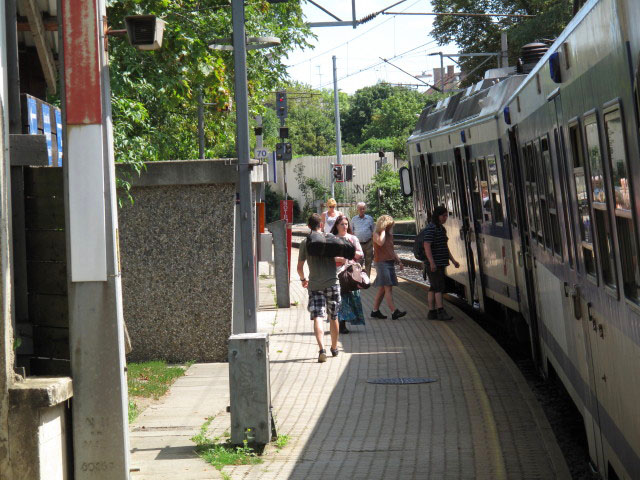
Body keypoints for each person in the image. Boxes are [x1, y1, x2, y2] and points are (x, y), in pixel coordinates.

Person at [297, 213, 342, 363]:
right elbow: (339, 258)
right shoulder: (329, 239)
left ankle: (321, 349)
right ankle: (334, 348)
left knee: (318, 316)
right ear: (321, 225)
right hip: (332, 283)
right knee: (334, 316)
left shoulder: (305, 243)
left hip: (315, 285)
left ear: (309, 226)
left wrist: (304, 280)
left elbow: (299, 267)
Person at [424, 205, 460, 320]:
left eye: (446, 216)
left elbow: (444, 246)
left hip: (440, 262)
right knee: (439, 287)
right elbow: (427, 245)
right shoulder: (432, 228)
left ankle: (432, 312)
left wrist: (453, 261)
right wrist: (432, 262)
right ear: (438, 216)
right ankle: (440, 311)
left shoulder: (440, 228)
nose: (445, 218)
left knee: (433, 287)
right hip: (435, 264)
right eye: (443, 216)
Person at [331, 215, 365, 333]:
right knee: (341, 296)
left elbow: (361, 254)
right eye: (342, 224)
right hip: (338, 272)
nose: (345, 226)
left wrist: (350, 254)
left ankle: (347, 321)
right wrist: (339, 259)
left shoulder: (353, 238)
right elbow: (329, 257)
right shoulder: (333, 239)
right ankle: (342, 323)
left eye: (346, 224)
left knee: (353, 296)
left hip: (352, 272)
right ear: (337, 226)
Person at [371, 215, 407, 320]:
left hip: (389, 263)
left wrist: (399, 261)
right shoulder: (376, 234)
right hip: (382, 263)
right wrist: (382, 231)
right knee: (388, 287)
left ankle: (375, 311)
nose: (390, 227)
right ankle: (394, 311)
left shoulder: (389, 235)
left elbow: (391, 250)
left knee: (382, 289)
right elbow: (381, 243)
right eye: (389, 225)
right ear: (384, 225)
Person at [351, 202, 375, 277]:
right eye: (360, 209)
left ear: (365, 209)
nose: (362, 210)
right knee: (358, 262)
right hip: (358, 245)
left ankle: (367, 279)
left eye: (363, 208)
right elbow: (351, 232)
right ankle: (359, 278)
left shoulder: (370, 219)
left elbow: (373, 231)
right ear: (357, 209)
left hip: (368, 243)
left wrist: (373, 244)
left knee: (368, 262)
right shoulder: (354, 219)